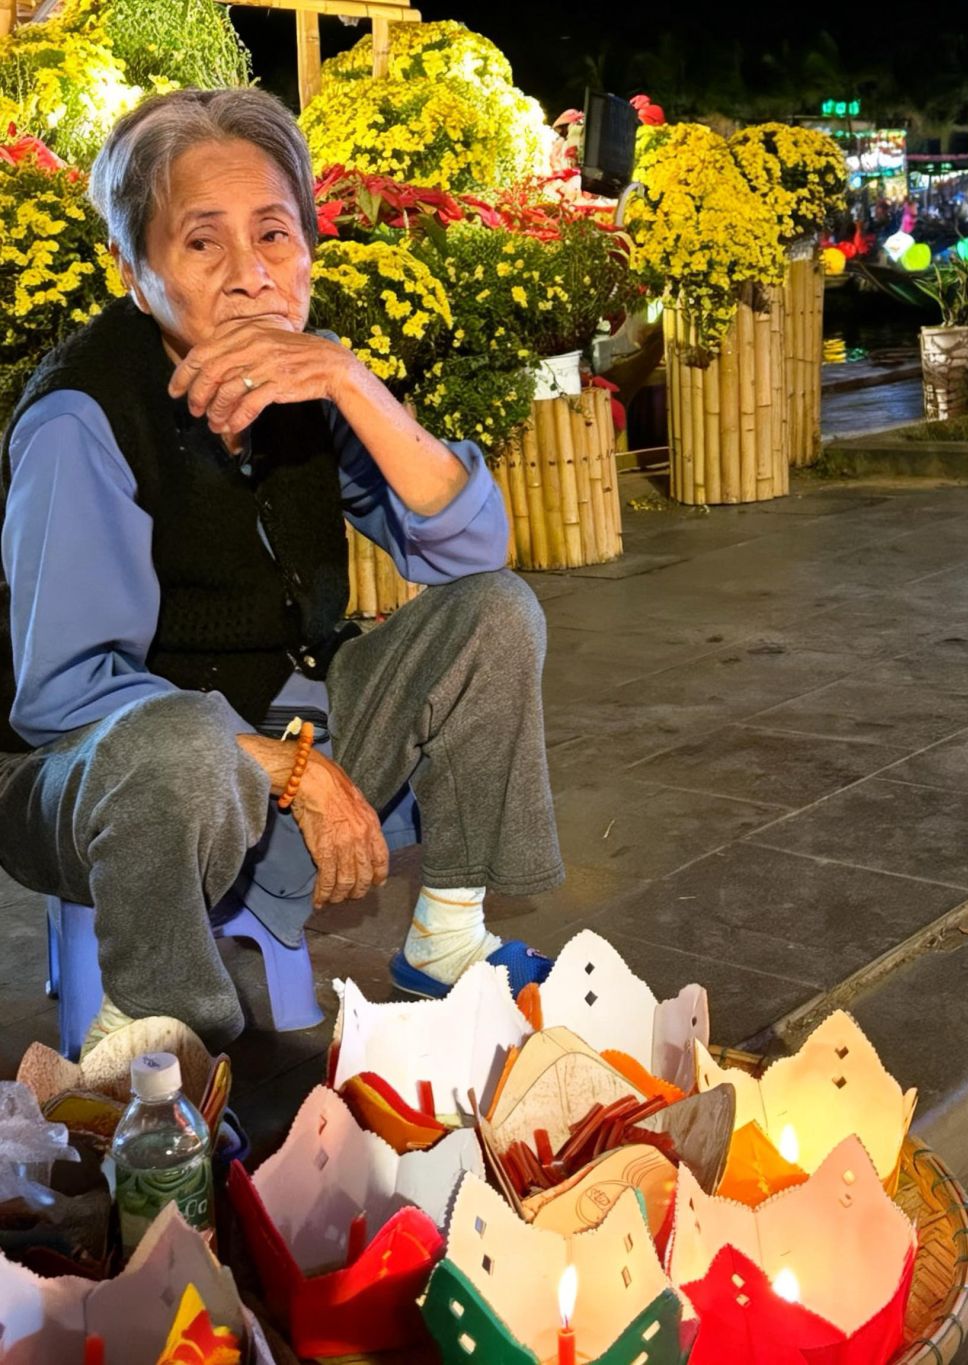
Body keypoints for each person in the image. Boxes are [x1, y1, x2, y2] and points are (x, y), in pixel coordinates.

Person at [0, 88, 564, 1053]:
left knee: (495, 614)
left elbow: (470, 552)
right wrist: (295, 772)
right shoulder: (83, 419)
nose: (250, 276)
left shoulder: (309, 375)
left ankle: (448, 939)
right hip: (102, 775)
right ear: (136, 274)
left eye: (274, 233)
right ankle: (155, 1049)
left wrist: (350, 381)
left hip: (288, 716)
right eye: (202, 243)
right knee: (174, 745)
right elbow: (61, 694)